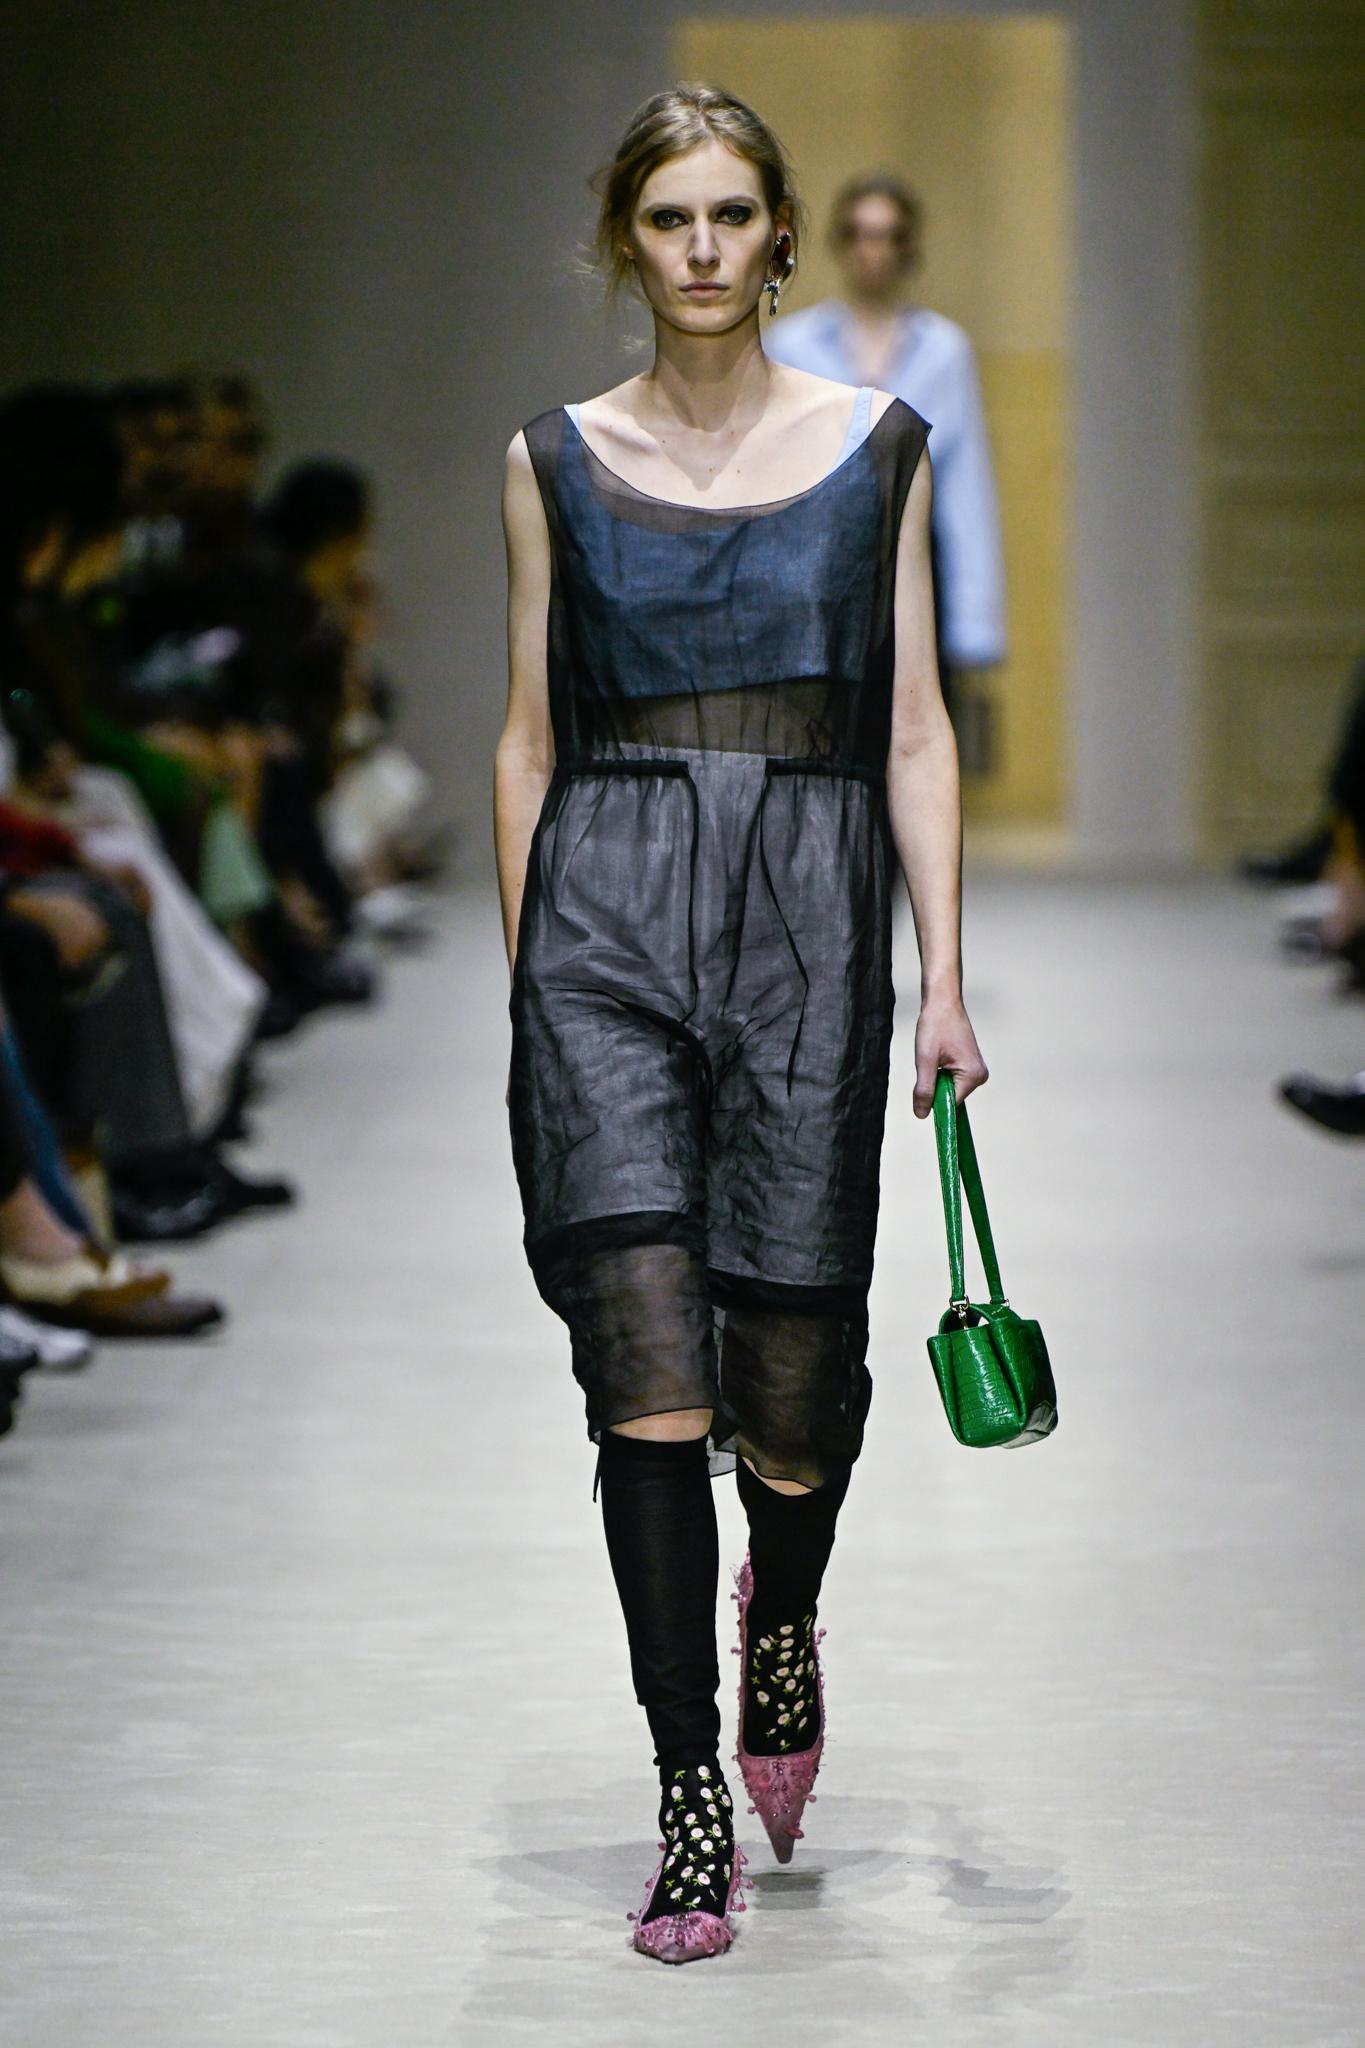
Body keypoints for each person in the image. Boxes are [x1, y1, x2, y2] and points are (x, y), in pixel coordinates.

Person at [495, 84, 988, 1966]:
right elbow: (526, 738)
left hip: (806, 934)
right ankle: (686, 1790)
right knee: (644, 1375)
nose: (700, 249)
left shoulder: (878, 450)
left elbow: (915, 730)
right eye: (666, 217)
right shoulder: (551, 459)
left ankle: (781, 1609)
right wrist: (529, 981)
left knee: (794, 1382)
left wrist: (943, 976)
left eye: (728, 215)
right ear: (624, 241)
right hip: (604, 935)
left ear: (779, 233)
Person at [763, 172, 1007, 761]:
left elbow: (965, 488)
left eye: (888, 235)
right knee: (820, 747)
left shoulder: (944, 349)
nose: (873, 250)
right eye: (859, 233)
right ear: (840, 242)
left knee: (916, 741)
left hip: (918, 562)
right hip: (816, 572)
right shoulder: (792, 345)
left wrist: (976, 626)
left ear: (907, 245)